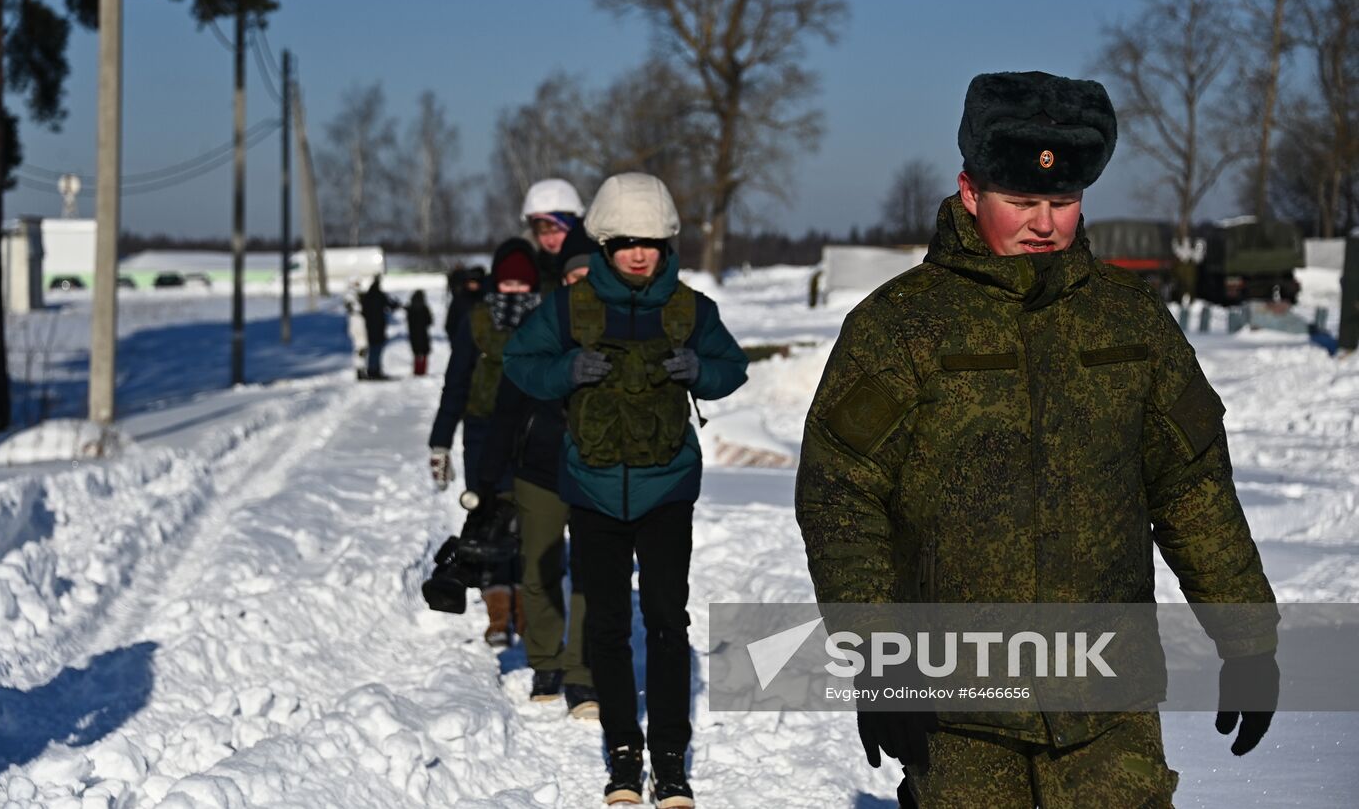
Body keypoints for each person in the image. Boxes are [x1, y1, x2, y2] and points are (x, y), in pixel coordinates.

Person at [794, 71, 1279, 808]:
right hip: (961, 712)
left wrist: (1246, 638)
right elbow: (842, 498)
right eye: (1022, 202)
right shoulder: (900, 328)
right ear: (970, 191)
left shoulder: (1129, 323)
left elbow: (1193, 484)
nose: (1045, 223)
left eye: (1063, 201)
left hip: (1108, 707)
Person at [504, 172, 749, 808]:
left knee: (667, 622)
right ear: (606, 244)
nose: (639, 254)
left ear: (667, 245)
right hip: (590, 490)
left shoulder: (691, 309)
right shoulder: (570, 307)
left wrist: (701, 368)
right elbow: (519, 362)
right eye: (625, 242)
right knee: (608, 627)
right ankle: (622, 752)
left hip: (666, 489)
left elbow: (733, 367)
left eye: (651, 243)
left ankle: (669, 757)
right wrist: (565, 369)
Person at [477, 227, 603, 717]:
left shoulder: (623, 325)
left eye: (591, 274)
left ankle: (583, 673)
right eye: (573, 274)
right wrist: (489, 478)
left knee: (593, 573)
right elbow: (508, 403)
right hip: (540, 467)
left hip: (598, 471)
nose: (581, 283)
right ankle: (547, 662)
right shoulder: (542, 324)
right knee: (540, 568)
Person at [430, 238, 543, 645]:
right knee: (487, 524)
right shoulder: (476, 321)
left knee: (530, 527)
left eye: (522, 284)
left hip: (532, 436)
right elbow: (456, 382)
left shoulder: (547, 320)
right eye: (508, 283)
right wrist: (440, 441)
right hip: (481, 434)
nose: (514, 290)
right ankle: (498, 615)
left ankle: (529, 613)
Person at [521, 178, 586, 293]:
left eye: (557, 230)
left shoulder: (595, 264)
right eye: (543, 232)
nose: (550, 240)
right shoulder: (529, 271)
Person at [358, 275, 400, 380]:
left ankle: (372, 369)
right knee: (376, 348)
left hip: (370, 327)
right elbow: (391, 305)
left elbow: (363, 312)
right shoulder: (380, 295)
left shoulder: (368, 296)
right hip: (379, 326)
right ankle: (374, 370)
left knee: (373, 348)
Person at [444, 265, 487, 341]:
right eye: (471, 282)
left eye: (475, 283)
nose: (473, 285)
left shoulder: (484, 299)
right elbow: (450, 324)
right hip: (462, 341)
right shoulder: (458, 300)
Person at [344, 279, 369, 380]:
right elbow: (354, 308)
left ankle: (361, 369)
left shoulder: (357, 295)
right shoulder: (351, 296)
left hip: (360, 324)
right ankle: (359, 369)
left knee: (362, 348)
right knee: (360, 348)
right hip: (357, 325)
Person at [406, 289, 434, 376]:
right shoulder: (424, 308)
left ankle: (417, 370)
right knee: (424, 353)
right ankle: (423, 370)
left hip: (413, 333)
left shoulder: (410, 308)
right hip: (423, 333)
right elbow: (429, 321)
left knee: (416, 353)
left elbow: (408, 321)